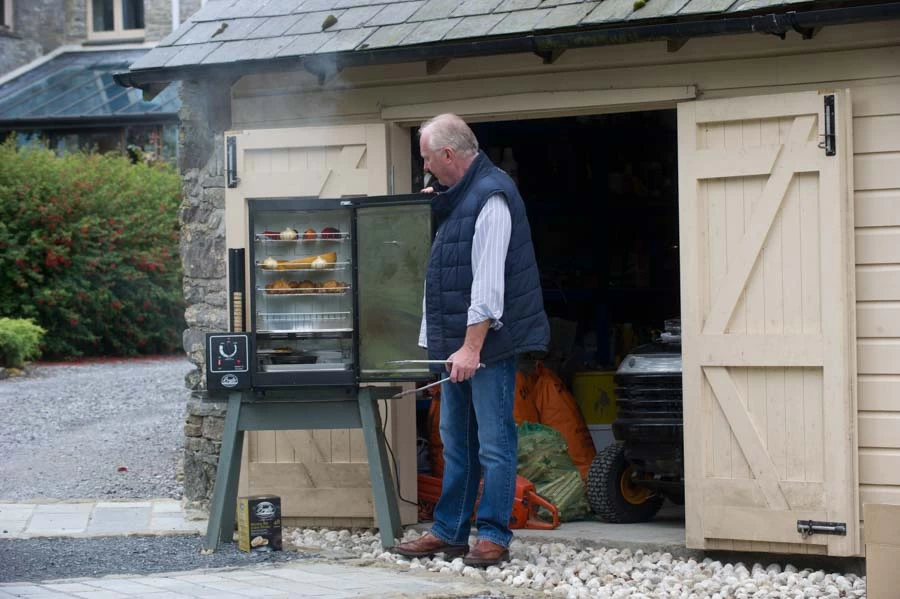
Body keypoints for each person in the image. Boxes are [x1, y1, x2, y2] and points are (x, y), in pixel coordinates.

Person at [393, 114, 550, 567]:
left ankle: (494, 535)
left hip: (486, 348)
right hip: (457, 346)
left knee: (494, 444)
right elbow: (449, 271)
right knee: (456, 443)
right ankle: (450, 532)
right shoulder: (461, 195)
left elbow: (488, 285)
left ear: (448, 154)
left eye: (427, 159)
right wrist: (439, 206)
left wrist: (471, 348)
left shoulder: (492, 196)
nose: (425, 168)